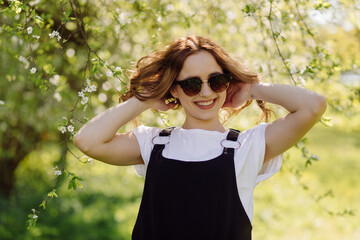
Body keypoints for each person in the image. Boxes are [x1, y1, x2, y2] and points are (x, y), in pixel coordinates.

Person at [74, 35, 327, 240]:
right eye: (191, 84)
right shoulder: (153, 144)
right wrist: (145, 100)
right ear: (174, 88)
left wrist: (251, 88)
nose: (206, 92)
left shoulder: (246, 146)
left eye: (216, 81)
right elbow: (87, 141)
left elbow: (313, 105)